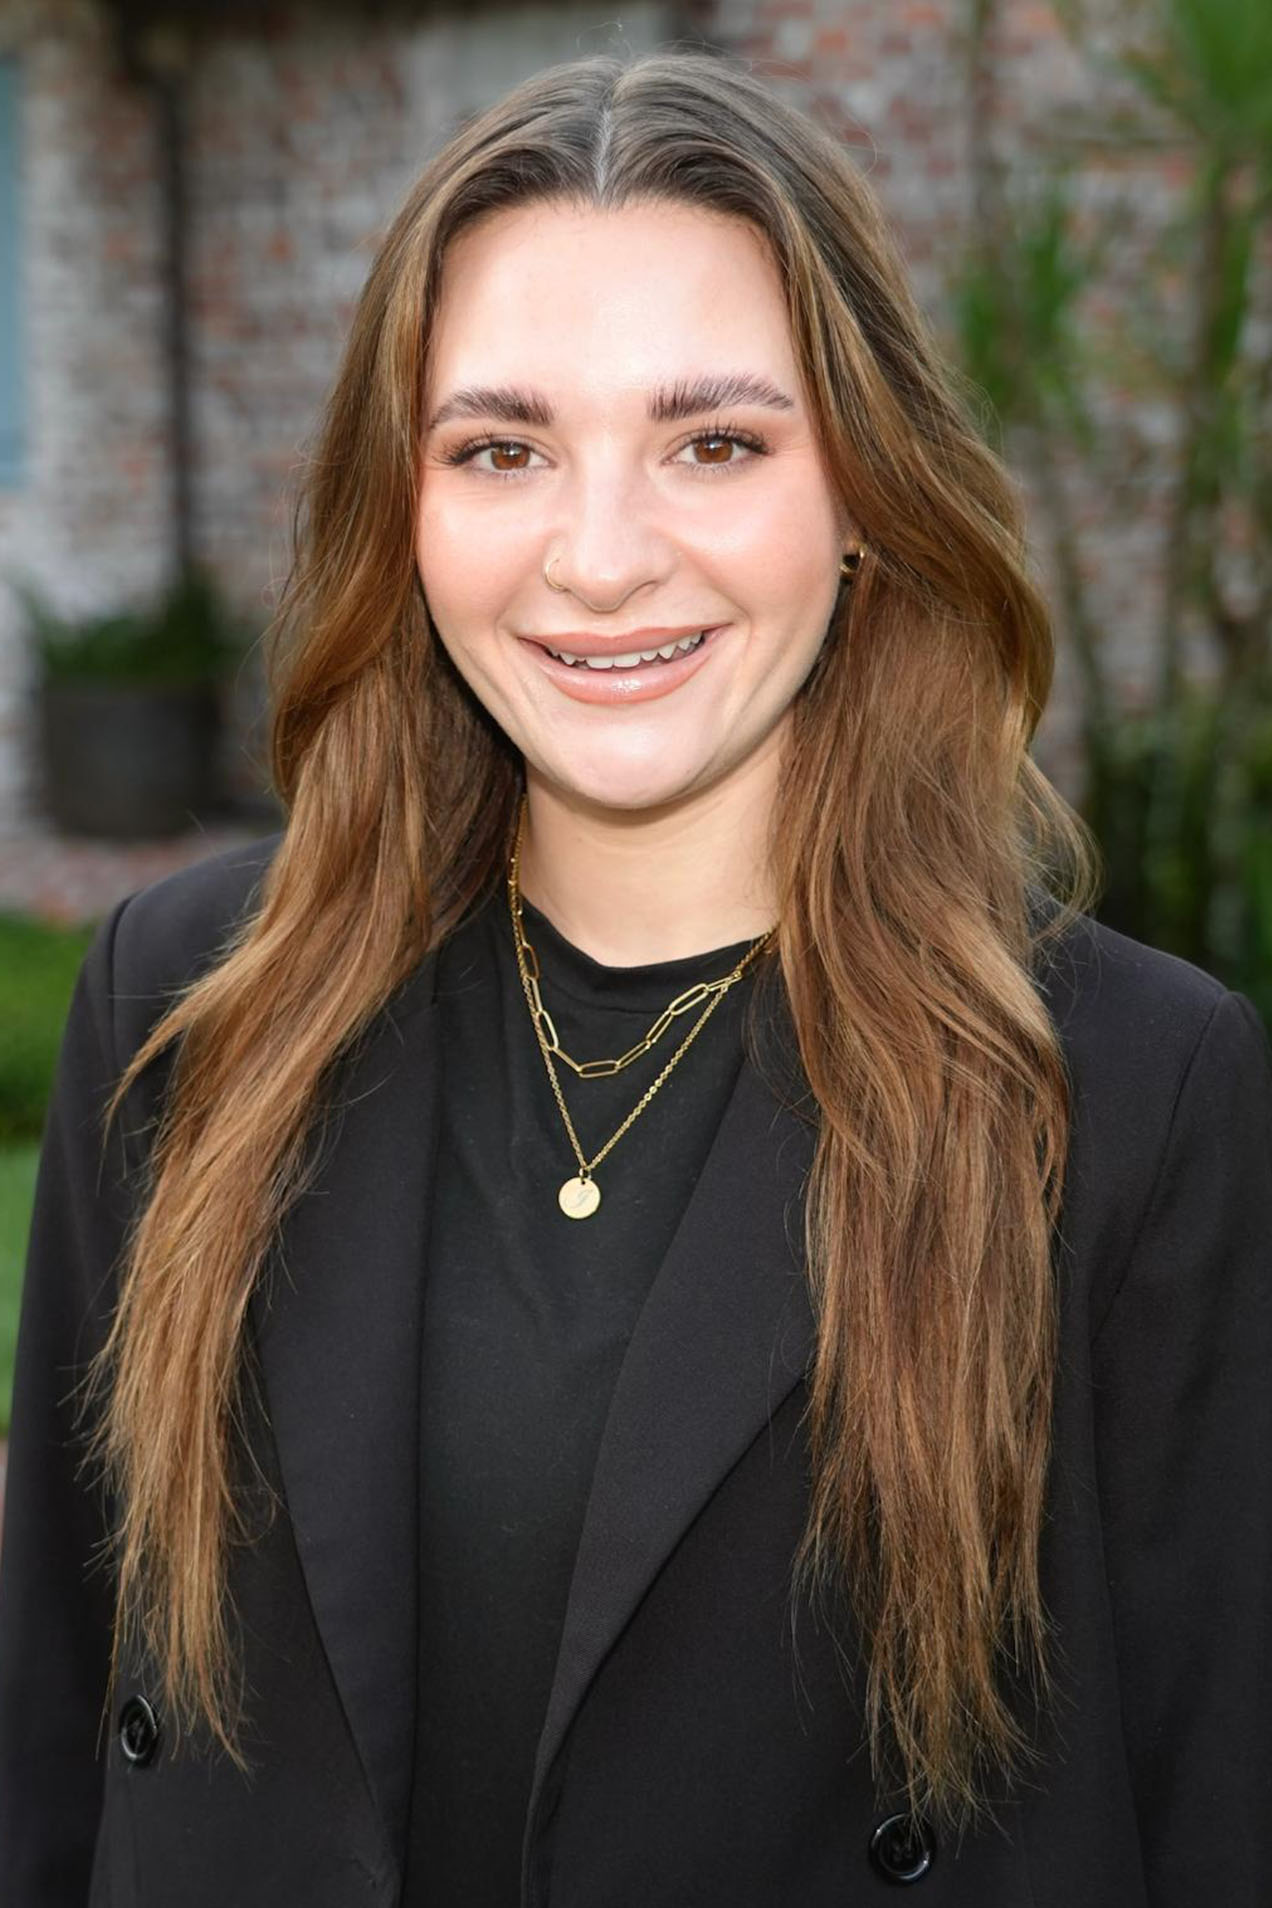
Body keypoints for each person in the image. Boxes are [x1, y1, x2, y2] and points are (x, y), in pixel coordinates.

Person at [1, 45, 1269, 1908]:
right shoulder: (191, 1004)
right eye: (500, 450)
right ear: (403, 505)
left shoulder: (1133, 1095)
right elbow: (49, 1741)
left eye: (715, 444)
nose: (599, 560)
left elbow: (1215, 1801)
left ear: (865, 489)